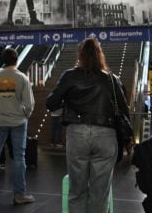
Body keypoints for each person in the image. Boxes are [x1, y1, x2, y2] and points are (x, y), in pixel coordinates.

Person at [46, 38, 129, 213]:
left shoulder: (70, 75)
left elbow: (51, 102)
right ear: (100, 55)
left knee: (77, 191)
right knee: (100, 193)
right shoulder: (112, 80)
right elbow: (123, 109)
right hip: (106, 136)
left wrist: (68, 103)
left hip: (77, 134)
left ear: (80, 55)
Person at [0, 48, 36, 204]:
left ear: (4, 61)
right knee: (19, 157)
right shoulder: (22, 78)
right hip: (18, 122)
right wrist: (24, 115)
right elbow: (30, 104)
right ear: (17, 60)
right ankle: (19, 194)